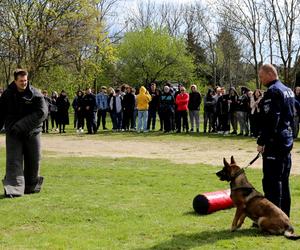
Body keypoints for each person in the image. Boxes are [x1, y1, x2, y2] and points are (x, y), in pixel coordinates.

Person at [0, 69, 48, 197]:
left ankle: (30, 187)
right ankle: (13, 190)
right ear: (15, 81)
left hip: (33, 131)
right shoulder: (7, 94)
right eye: (21, 81)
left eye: (25, 80)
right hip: (13, 132)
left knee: (34, 160)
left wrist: (22, 125)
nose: (24, 83)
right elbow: (1, 113)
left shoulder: (36, 94)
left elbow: (42, 113)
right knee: (13, 161)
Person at [257, 64, 295, 217]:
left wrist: (262, 141)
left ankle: (274, 219)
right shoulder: (288, 90)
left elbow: (271, 120)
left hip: (275, 142)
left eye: (261, 76)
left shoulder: (273, 91)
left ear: (269, 74)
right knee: (283, 181)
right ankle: (284, 216)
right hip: (286, 140)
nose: (260, 80)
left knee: (272, 182)